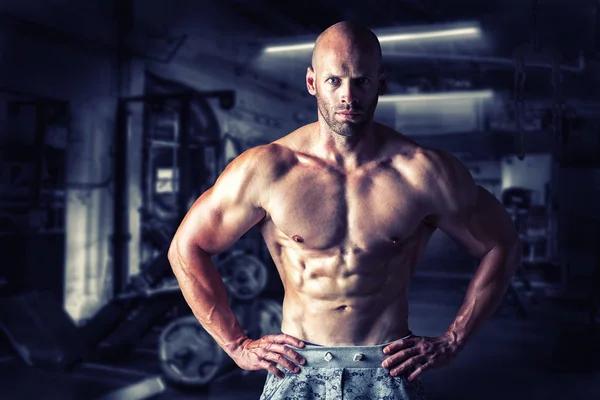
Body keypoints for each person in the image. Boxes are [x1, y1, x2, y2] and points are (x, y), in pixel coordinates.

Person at [168, 21, 522, 400]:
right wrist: (235, 344)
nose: (348, 96)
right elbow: (186, 248)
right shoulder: (267, 170)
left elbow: (501, 243)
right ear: (312, 82)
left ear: (381, 83)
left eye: (362, 81)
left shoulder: (423, 172)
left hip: (386, 369)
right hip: (296, 368)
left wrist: (453, 339)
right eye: (334, 81)